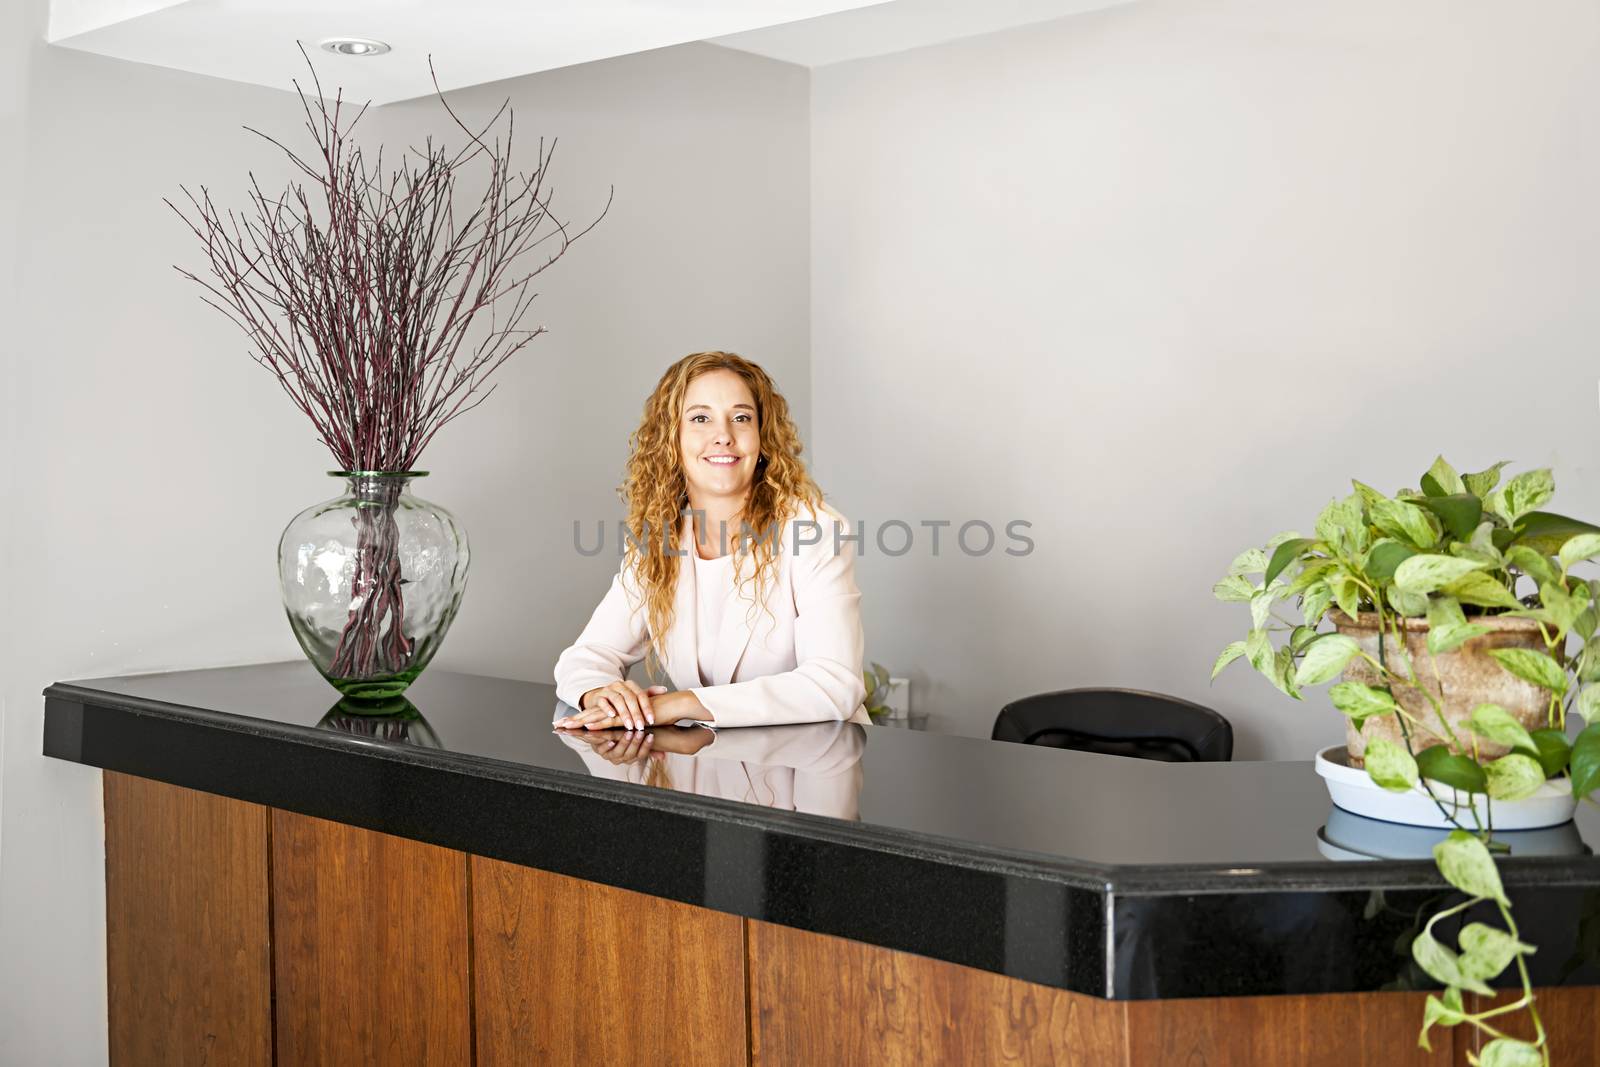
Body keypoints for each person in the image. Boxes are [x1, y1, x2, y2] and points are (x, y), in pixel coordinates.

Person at [553, 351, 867, 730]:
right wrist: (601, 693)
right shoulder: (660, 540)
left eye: (741, 418)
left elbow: (835, 683)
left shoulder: (813, 530)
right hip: (709, 765)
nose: (724, 435)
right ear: (672, 439)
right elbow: (585, 656)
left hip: (815, 766)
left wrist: (686, 703)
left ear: (762, 437)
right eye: (701, 418)